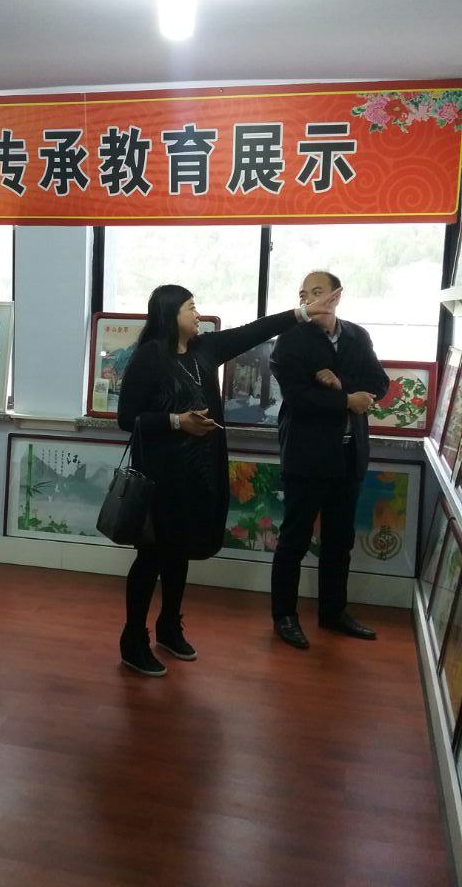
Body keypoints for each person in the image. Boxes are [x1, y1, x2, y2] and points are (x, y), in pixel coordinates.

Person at [116, 283, 340, 676]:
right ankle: (133, 639)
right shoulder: (149, 358)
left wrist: (303, 313)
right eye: (190, 307)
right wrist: (176, 421)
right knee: (151, 557)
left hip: (198, 473)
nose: (198, 314)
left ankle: (169, 626)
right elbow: (126, 419)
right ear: (170, 314)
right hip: (160, 477)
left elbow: (255, 330)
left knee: (180, 552)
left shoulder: (205, 349)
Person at [269, 270, 389, 649]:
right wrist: (346, 399)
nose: (309, 299)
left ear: (336, 296)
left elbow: (379, 383)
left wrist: (340, 386)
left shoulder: (357, 336)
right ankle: (284, 616)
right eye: (304, 294)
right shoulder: (290, 340)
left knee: (340, 542)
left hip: (349, 456)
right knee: (294, 540)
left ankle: (333, 613)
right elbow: (299, 397)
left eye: (317, 291)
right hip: (306, 457)